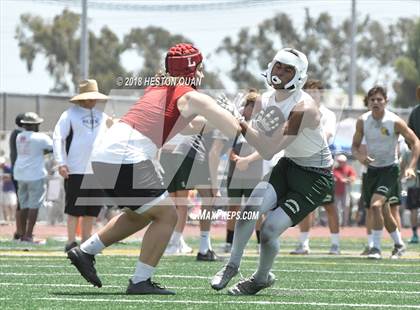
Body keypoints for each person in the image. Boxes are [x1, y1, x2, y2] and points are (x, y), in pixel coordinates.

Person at [67, 43, 241, 295]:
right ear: (193, 70)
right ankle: (140, 281)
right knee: (167, 214)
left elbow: (188, 125)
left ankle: (85, 252)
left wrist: (217, 116)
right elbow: (234, 130)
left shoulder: (160, 88)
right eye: (200, 67)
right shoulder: (191, 96)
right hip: (123, 156)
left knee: (140, 214)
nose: (202, 73)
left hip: (106, 154)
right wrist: (234, 116)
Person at [211, 47, 334, 295]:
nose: (280, 72)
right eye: (278, 65)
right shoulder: (265, 99)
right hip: (289, 165)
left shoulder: (304, 108)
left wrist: (240, 124)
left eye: (288, 69)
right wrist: (233, 120)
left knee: (268, 232)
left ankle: (260, 278)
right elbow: (260, 139)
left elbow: (268, 149)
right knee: (249, 209)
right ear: (270, 66)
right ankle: (232, 265)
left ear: (298, 76)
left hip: (315, 178)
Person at [352, 86, 420, 259]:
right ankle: (399, 244)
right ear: (367, 102)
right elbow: (354, 146)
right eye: (372, 100)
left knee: (375, 206)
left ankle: (375, 247)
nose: (375, 102)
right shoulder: (362, 121)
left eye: (379, 99)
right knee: (383, 210)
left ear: (386, 102)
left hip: (390, 170)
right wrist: (361, 157)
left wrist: (411, 166)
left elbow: (415, 142)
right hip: (371, 171)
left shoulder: (395, 121)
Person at [53, 79, 110, 252]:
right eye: (90, 97)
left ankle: (86, 242)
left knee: (92, 210)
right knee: (74, 209)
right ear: (82, 97)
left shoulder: (103, 117)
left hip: (98, 170)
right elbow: (58, 138)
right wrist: (61, 163)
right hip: (75, 169)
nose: (93, 100)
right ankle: (70, 242)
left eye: (95, 97)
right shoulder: (69, 115)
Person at [290, 79, 341, 255]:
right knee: (305, 205)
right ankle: (303, 244)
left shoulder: (329, 115)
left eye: (316, 92)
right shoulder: (299, 112)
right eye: (309, 92)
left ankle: (335, 244)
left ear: (321, 94)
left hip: (321, 167)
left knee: (329, 206)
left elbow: (327, 136)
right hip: (303, 164)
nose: (312, 95)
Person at [223, 89, 264, 254]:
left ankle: (261, 243)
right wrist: (235, 159)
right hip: (234, 172)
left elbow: (263, 149)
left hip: (254, 172)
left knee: (255, 210)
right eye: (251, 107)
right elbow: (227, 147)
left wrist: (247, 161)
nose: (252, 111)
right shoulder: (235, 124)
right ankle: (229, 242)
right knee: (233, 207)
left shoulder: (261, 126)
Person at [13, 112, 53, 243]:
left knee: (23, 205)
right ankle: (29, 235)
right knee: (34, 206)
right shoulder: (41, 137)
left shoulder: (19, 136)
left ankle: (22, 235)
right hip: (35, 174)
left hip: (20, 174)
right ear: (36, 125)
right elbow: (53, 148)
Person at [407, 85, 420, 243]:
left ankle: (415, 235)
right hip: (415, 165)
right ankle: (415, 234)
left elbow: (407, 136)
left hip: (415, 163)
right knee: (413, 204)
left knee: (413, 205)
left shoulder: (414, 112)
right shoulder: (415, 112)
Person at [9, 113, 25, 240]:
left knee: (22, 202)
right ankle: (20, 231)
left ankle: (20, 231)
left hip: (17, 171)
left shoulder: (15, 134)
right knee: (22, 202)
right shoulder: (19, 134)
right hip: (20, 172)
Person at [333, 154, 356, 226]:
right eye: (339, 161)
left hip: (346, 190)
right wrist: (341, 179)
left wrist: (347, 179)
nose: (340, 163)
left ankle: (345, 223)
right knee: (337, 207)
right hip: (337, 190)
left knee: (346, 206)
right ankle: (338, 223)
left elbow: (353, 177)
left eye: (341, 162)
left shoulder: (349, 168)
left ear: (345, 162)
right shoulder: (335, 169)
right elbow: (335, 177)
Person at [0, 157, 17, 223]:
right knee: (5, 205)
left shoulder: (9, 168)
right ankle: (7, 219)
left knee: (12, 205)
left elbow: (12, 177)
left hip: (11, 189)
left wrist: (4, 178)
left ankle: (13, 218)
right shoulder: (2, 169)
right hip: (4, 189)